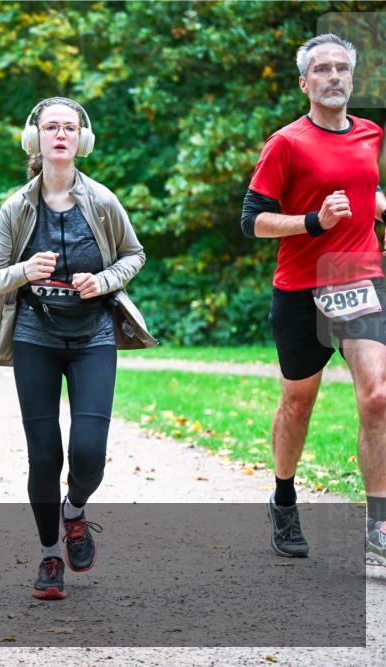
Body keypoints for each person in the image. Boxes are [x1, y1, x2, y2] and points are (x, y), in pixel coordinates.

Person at [0, 97, 156, 600]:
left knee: (89, 452)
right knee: (44, 456)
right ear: (36, 139)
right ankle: (50, 554)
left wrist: (103, 280)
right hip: (35, 337)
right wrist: (22, 272)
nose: (60, 135)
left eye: (69, 127)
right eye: (51, 127)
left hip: (94, 336)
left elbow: (134, 254)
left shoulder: (101, 201)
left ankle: (75, 510)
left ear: (82, 139)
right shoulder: (16, 207)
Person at [240, 33, 386, 564]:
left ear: (352, 78)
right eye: (322, 69)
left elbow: (363, 188)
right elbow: (251, 221)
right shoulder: (287, 143)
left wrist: (378, 205)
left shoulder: (371, 133)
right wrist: (312, 222)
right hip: (302, 288)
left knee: (378, 395)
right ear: (305, 83)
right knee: (299, 401)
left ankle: (379, 527)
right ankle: (283, 495)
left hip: (362, 280)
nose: (334, 76)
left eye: (342, 68)